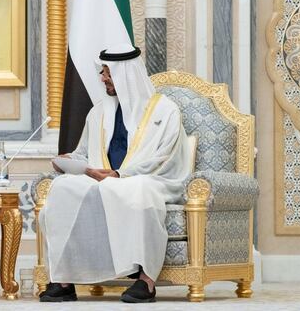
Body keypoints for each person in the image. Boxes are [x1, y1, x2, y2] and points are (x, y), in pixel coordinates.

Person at [39, 44, 190, 304]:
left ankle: (146, 281)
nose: (103, 78)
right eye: (103, 72)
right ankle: (64, 280)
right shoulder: (99, 111)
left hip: (151, 180)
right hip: (102, 181)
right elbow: (85, 153)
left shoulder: (165, 111)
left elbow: (164, 158)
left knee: (139, 189)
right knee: (63, 187)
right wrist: (67, 160)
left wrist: (120, 175)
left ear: (126, 74)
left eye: (107, 72)